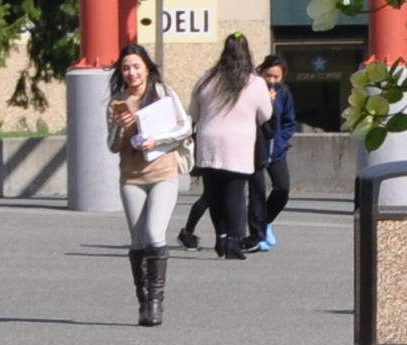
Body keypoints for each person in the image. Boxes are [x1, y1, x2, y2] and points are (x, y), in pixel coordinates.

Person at [110, 46, 191, 328]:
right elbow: (111, 146)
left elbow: (185, 126)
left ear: (146, 67)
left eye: (136, 66)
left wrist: (156, 140)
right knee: (138, 241)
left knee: (155, 233)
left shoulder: (162, 93)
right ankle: (143, 302)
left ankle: (156, 302)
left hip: (163, 172)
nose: (131, 72)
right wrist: (120, 127)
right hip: (131, 177)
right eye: (125, 68)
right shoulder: (118, 102)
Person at [190, 34, 265, 260]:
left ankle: (221, 237)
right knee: (235, 193)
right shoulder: (254, 82)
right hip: (238, 143)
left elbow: (193, 113)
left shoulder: (206, 79)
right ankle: (234, 240)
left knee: (214, 193)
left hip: (208, 141)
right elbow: (266, 114)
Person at [251, 53, 298, 252]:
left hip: (276, 150)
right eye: (268, 75)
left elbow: (289, 120)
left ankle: (265, 222)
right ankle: (257, 234)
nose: (271, 80)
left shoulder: (284, 92)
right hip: (255, 149)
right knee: (258, 193)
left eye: (276, 77)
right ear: (261, 73)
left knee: (282, 189)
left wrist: (282, 140)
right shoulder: (252, 90)